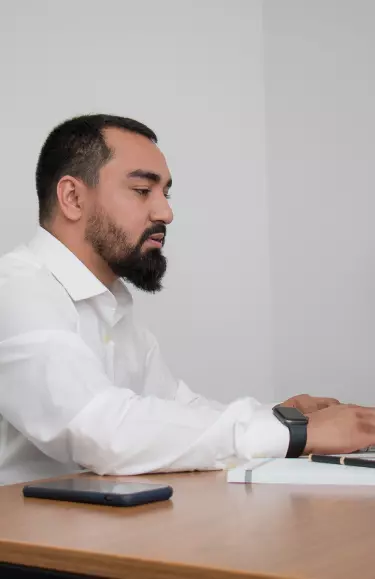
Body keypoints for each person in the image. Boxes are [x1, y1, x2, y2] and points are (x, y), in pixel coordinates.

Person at [0, 114, 374, 485]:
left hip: (78, 530)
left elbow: (176, 411)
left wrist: (280, 416)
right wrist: (293, 434)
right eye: (143, 191)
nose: (166, 212)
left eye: (166, 193)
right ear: (72, 197)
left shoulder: (112, 302)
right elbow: (100, 431)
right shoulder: (14, 290)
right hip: (22, 538)